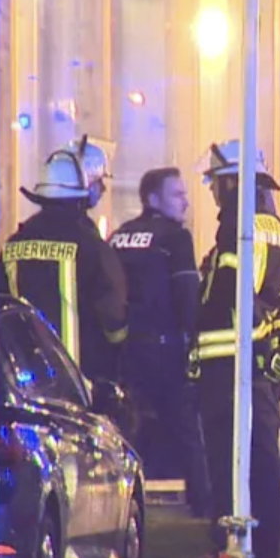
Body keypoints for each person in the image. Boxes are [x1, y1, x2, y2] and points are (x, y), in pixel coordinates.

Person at [190, 139, 280, 558]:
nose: (213, 192)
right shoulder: (278, 228)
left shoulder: (236, 222)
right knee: (263, 458)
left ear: (232, 182)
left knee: (226, 459)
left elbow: (225, 291)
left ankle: (228, 543)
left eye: (216, 183)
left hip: (228, 364)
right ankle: (266, 547)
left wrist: (197, 330)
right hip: (259, 362)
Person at [108, 167, 211, 518]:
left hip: (126, 351)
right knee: (188, 431)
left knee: (128, 430)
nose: (186, 202)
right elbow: (187, 295)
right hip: (166, 351)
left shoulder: (120, 236)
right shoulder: (175, 238)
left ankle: (122, 506)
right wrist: (194, 340)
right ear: (153, 199)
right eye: (177, 194)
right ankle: (202, 504)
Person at [0, 136, 128, 382]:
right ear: (83, 189)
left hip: (28, 380)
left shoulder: (13, 245)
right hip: (80, 381)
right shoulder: (91, 246)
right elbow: (115, 322)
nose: (102, 189)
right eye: (98, 183)